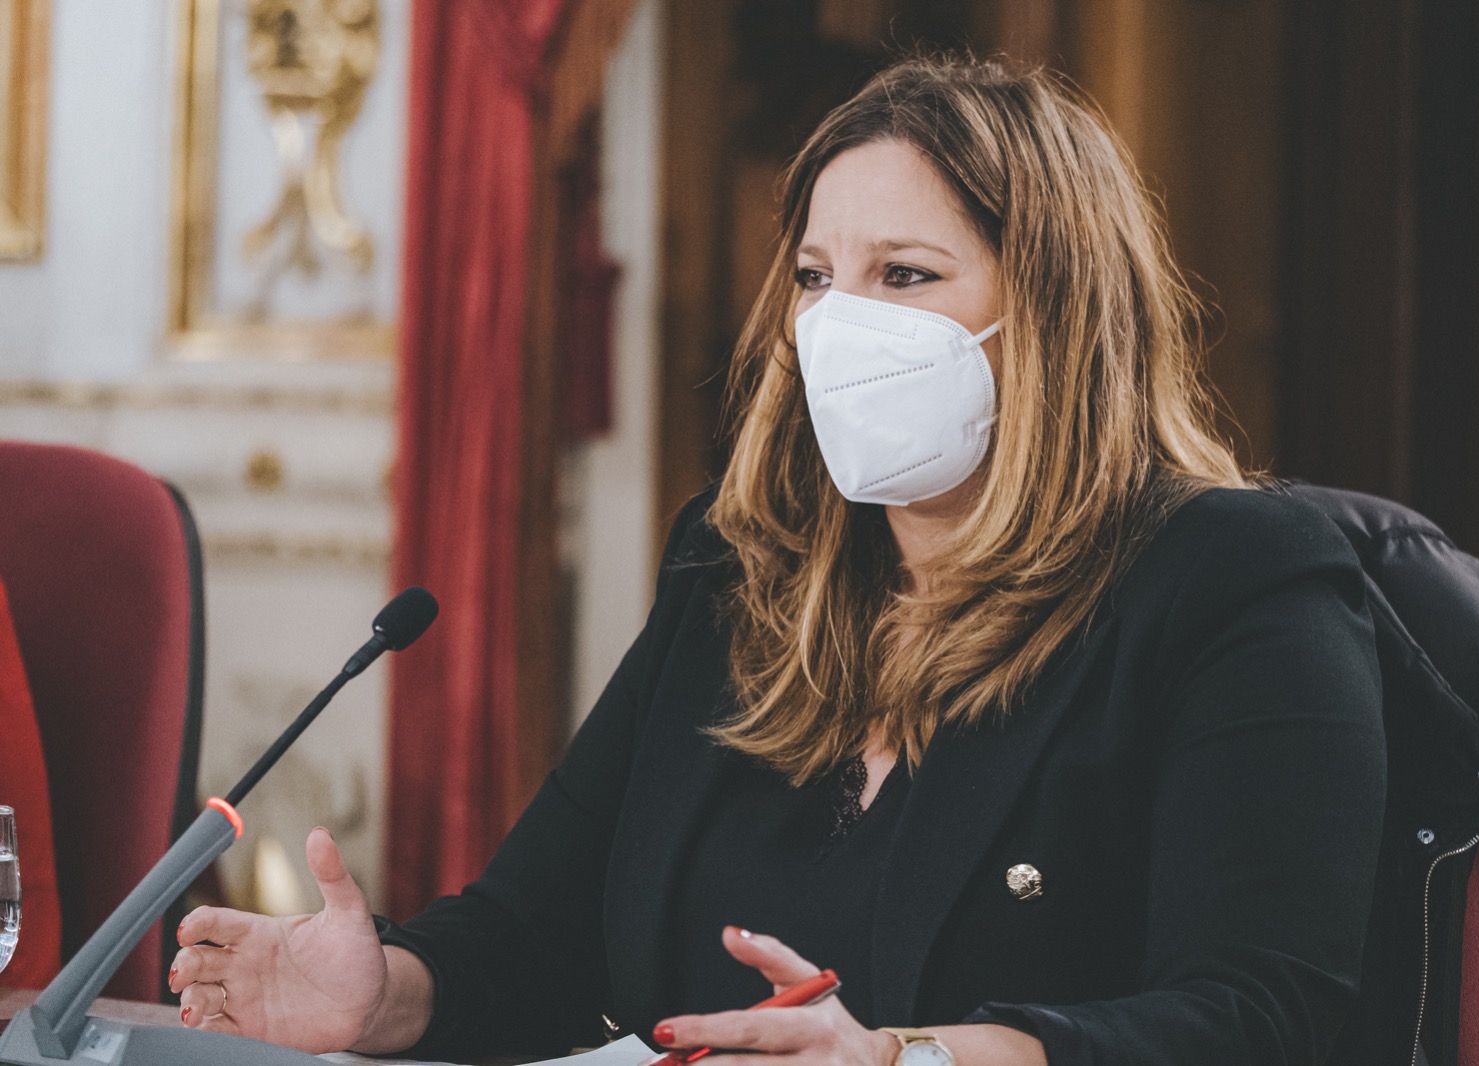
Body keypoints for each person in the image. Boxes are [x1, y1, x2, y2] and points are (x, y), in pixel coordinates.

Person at [168, 54, 1388, 1065]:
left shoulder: (1236, 579)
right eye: (814, 277)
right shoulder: (737, 565)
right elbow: (541, 930)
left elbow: (1261, 1016)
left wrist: (907, 1059)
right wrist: (385, 991)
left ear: (1057, 311)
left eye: (903, 275)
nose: (840, 323)